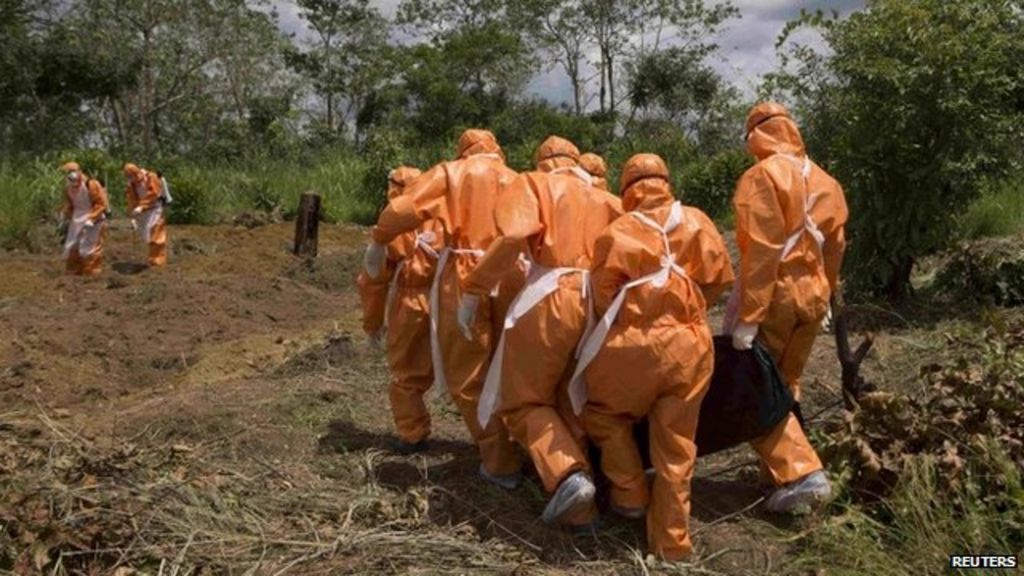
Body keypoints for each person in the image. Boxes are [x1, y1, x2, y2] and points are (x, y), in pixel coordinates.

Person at [570, 153, 733, 560]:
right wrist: (687, 309)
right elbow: (720, 278)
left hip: (634, 348)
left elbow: (605, 296)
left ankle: (629, 493)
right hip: (690, 346)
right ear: (666, 181)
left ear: (626, 190)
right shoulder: (697, 220)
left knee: (601, 415)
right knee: (677, 448)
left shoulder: (616, 231)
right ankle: (672, 545)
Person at [459, 136, 622, 527]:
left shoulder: (534, 183)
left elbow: (513, 237)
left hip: (552, 295)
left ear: (543, 161)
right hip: (596, 302)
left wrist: (474, 289)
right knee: (570, 397)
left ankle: (567, 474)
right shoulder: (606, 198)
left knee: (521, 400)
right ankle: (584, 512)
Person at [364, 129, 523, 488]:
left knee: (468, 375)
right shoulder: (518, 179)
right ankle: (531, 450)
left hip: (466, 275)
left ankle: (500, 462)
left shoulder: (450, 174)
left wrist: (379, 237)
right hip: (512, 273)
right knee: (512, 367)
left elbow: (404, 207)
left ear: (462, 152)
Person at [725, 101, 848, 512]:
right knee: (787, 380)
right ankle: (774, 476)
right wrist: (826, 293)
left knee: (758, 386)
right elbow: (835, 245)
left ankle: (800, 473)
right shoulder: (826, 181)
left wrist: (750, 316)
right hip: (812, 297)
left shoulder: (762, 176)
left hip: (777, 295)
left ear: (755, 135)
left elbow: (762, 252)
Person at [357, 166, 446, 455]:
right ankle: (492, 442)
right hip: (450, 299)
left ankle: (413, 435)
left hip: (410, 302)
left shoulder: (392, 227)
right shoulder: (444, 215)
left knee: (407, 374)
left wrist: (372, 324)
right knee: (468, 372)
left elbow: (374, 280)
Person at [60, 162, 109, 276]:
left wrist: (91, 218)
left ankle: (91, 273)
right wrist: (64, 216)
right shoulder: (68, 188)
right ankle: (74, 273)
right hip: (77, 220)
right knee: (73, 246)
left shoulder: (91, 184)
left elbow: (101, 204)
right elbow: (70, 205)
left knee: (89, 248)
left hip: (93, 220)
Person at [123, 163, 168, 267]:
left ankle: (157, 260)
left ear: (137, 172)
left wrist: (142, 205)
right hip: (142, 212)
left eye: (132, 175)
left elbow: (154, 193)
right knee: (146, 236)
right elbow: (132, 200)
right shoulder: (131, 185)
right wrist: (133, 216)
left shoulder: (151, 177)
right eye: (128, 177)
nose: (131, 179)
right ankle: (153, 257)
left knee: (155, 233)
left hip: (155, 208)